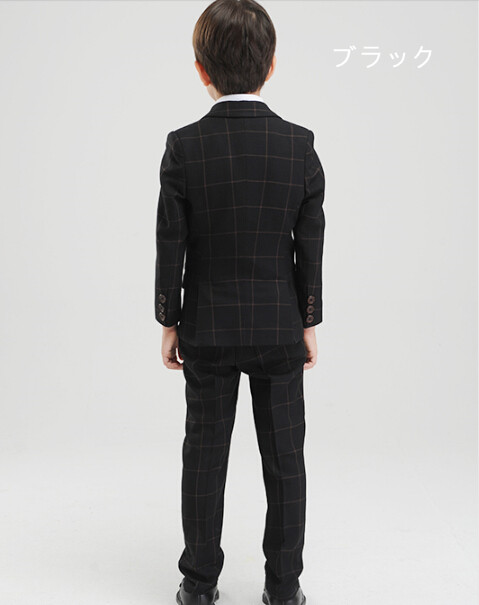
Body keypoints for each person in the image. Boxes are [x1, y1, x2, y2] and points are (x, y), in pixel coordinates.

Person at [154, 1, 325, 603]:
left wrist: (169, 320)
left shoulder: (184, 147)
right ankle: (284, 587)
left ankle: (199, 585)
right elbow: (309, 245)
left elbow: (170, 242)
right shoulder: (299, 146)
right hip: (279, 326)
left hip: (207, 327)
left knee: (204, 457)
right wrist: (308, 320)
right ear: (271, 66)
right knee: (286, 459)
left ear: (201, 70)